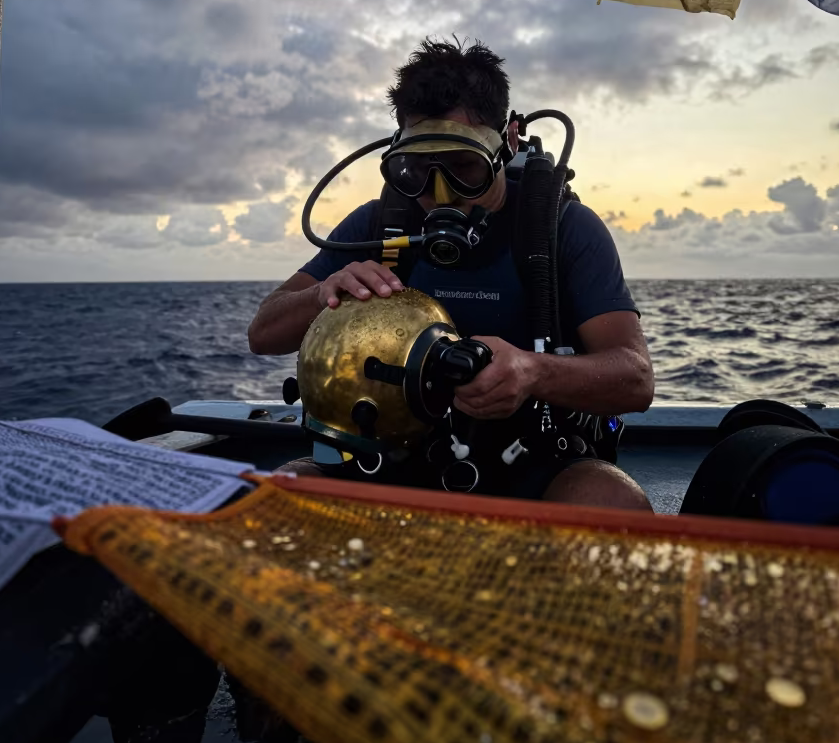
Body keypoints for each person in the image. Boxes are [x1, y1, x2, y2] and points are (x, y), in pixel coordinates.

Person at [249, 39, 654, 510]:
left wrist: (532, 371)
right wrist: (321, 294)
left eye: (464, 167)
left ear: (509, 142)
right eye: (418, 169)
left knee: (610, 500)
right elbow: (263, 334)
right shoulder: (377, 226)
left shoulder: (561, 229)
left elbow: (636, 379)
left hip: (535, 465)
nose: (439, 193)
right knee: (282, 496)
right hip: (390, 462)